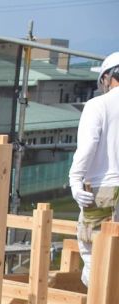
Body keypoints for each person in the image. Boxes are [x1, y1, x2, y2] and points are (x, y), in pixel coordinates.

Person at [69, 50, 119, 287]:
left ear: (109, 77)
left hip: (104, 192)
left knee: (93, 253)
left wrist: (75, 180)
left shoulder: (98, 104)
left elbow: (88, 146)